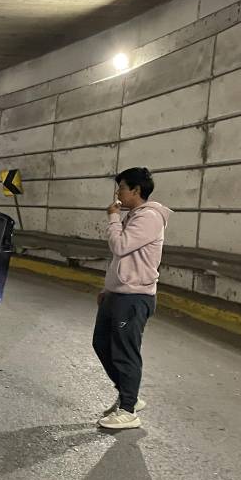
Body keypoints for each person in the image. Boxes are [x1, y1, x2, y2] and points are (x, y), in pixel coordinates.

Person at [94, 167, 172, 430]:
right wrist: (108, 288)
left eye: (122, 188)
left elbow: (120, 246)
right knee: (101, 343)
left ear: (136, 191)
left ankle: (128, 409)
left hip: (135, 297)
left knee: (125, 352)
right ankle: (130, 394)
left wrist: (113, 218)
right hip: (118, 294)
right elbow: (122, 260)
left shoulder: (149, 217)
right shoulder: (135, 216)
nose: (118, 194)